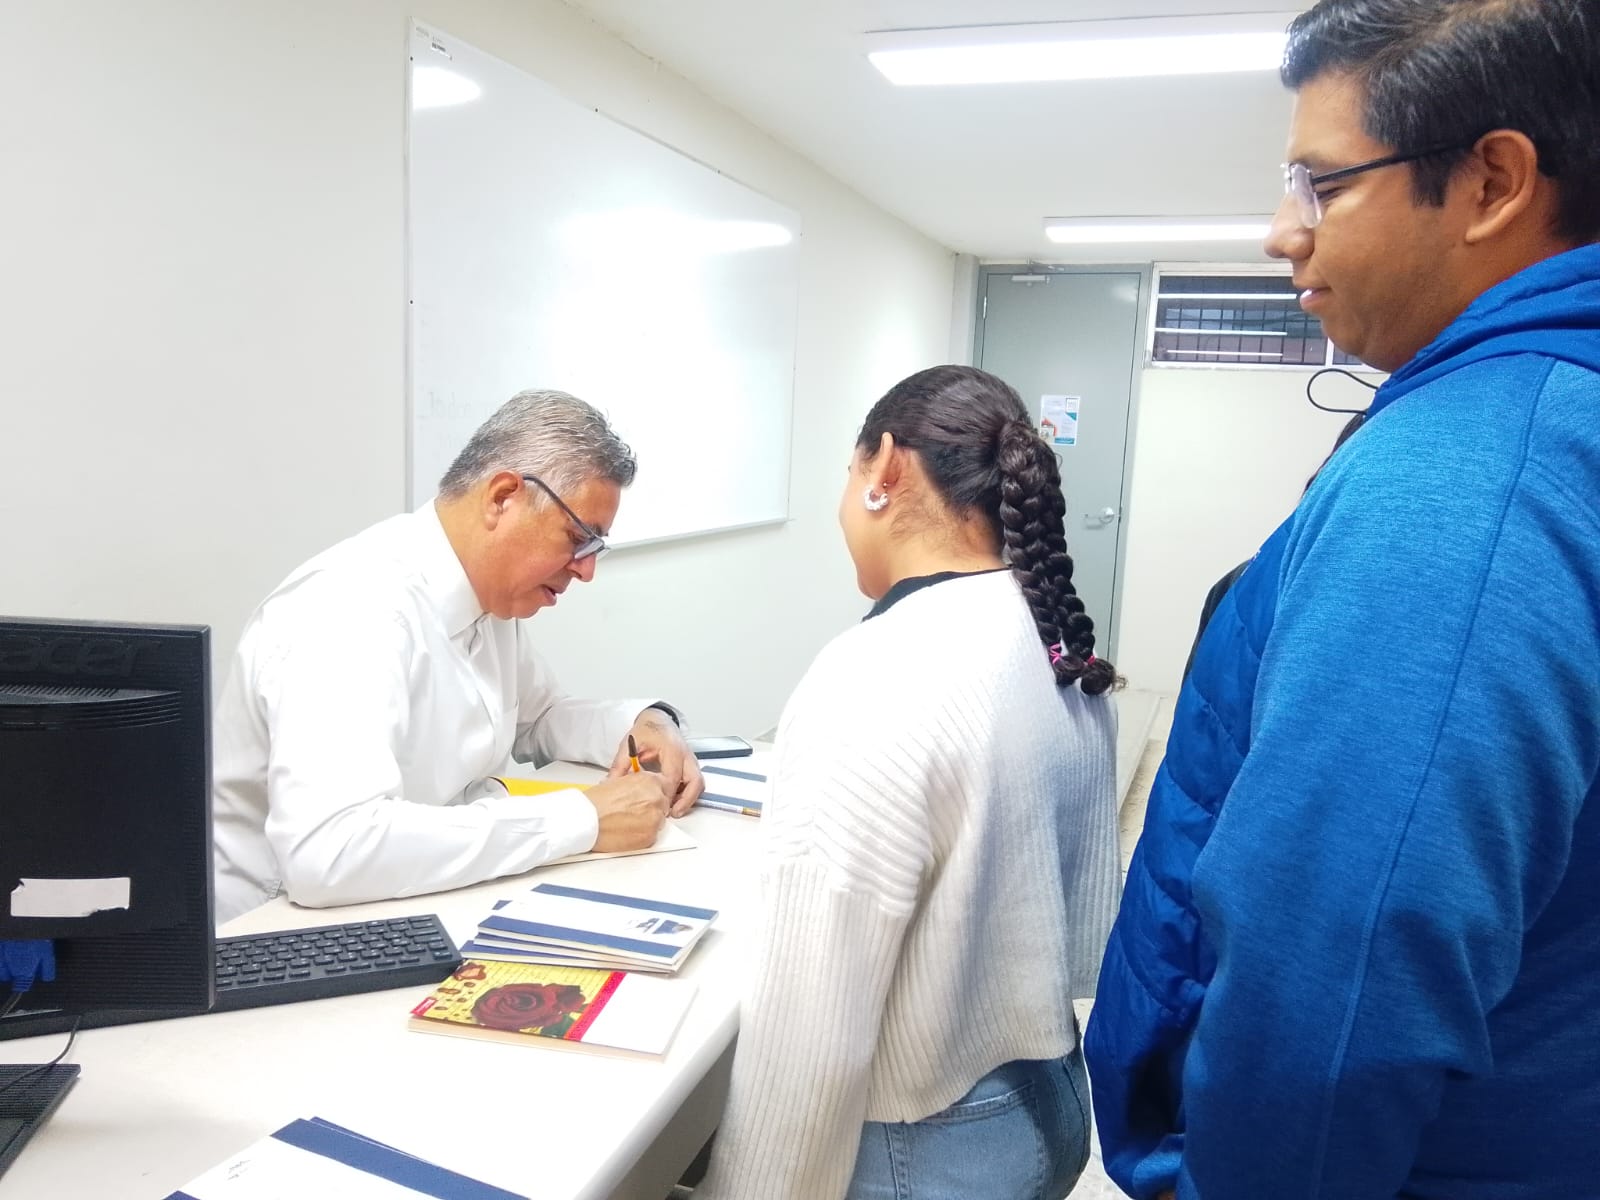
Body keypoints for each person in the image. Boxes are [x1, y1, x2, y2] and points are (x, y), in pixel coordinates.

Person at [1085, 1, 1600, 1197]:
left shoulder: (1473, 480)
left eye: (1321, 185)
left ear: (1491, 183)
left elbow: (1339, 980)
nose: (1280, 234)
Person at [694, 365, 1122, 1200]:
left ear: (884, 467)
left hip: (926, 1143)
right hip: (1048, 1095)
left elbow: (809, 1021)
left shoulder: (876, 671)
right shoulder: (1049, 632)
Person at [211, 389, 703, 925]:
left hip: (423, 900)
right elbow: (331, 851)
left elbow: (539, 717)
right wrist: (581, 820)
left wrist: (644, 722)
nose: (586, 572)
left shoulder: (484, 600)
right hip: (287, 939)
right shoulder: (350, 609)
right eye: (579, 539)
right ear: (502, 497)